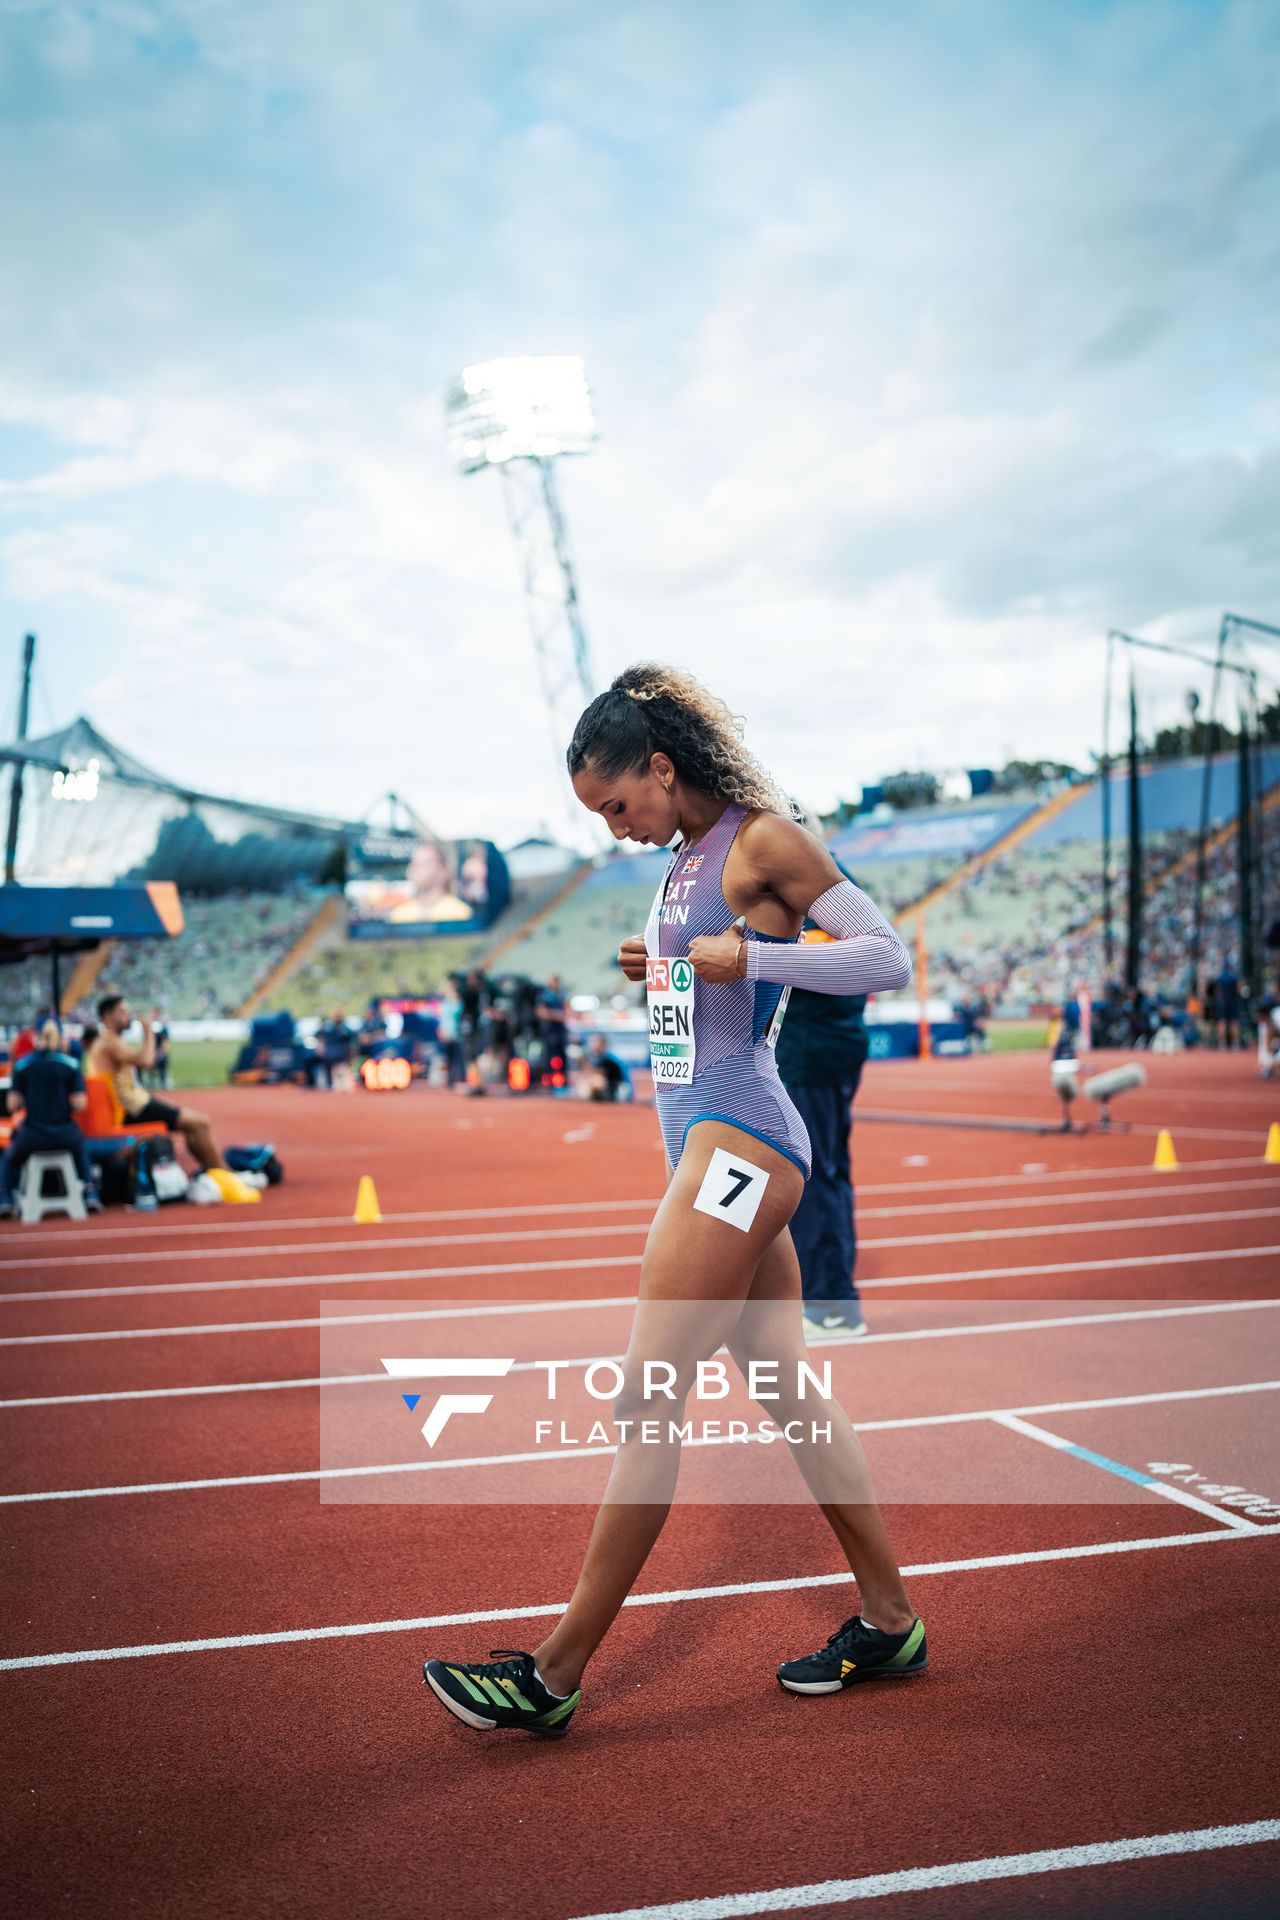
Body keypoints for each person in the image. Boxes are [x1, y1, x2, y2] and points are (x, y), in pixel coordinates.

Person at [423, 662, 924, 1739]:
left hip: (738, 1144)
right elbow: (708, 986)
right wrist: (662, 968)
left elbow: (885, 959)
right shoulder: (682, 860)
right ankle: (889, 1619)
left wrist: (757, 952)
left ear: (659, 767)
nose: (613, 829)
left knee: (643, 1400)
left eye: (615, 805)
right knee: (786, 1392)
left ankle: (551, 1674)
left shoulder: (764, 840)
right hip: (708, 1144)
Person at [774, 858, 871, 1340]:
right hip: (819, 1049)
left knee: (817, 1175)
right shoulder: (828, 885)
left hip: (814, 1053)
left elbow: (819, 967)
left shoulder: (815, 885)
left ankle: (833, 1306)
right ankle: (828, 1299)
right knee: (822, 1172)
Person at [86, 994, 225, 1171]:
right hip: (131, 1108)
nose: (128, 1016)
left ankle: (216, 1171)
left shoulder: (108, 1041)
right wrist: (148, 1031)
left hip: (134, 1103)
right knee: (199, 1123)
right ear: (107, 1018)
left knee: (195, 1123)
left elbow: (130, 1081)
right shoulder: (109, 1043)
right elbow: (146, 1061)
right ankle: (223, 1173)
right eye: (122, 1012)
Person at [0, 1018, 102, 1216]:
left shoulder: (22, 1066)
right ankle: (90, 1192)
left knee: (8, 1157)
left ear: (34, 1036)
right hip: (65, 1134)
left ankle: (5, 1197)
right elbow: (80, 1104)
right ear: (60, 1037)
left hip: (32, 1135)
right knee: (81, 1147)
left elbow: (12, 1105)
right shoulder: (71, 1065)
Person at [578, 1030, 627, 1101]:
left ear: (602, 1044)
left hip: (618, 1088)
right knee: (585, 1080)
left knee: (596, 1081)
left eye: (595, 1042)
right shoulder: (595, 1056)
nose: (591, 1044)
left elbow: (597, 1073)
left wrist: (582, 1061)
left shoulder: (609, 1058)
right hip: (608, 1086)